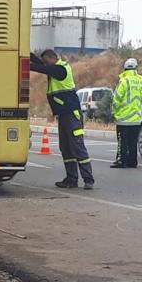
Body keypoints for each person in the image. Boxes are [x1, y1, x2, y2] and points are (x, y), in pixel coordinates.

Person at [30, 49, 94, 189]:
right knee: (66, 148)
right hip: (64, 114)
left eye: (47, 61)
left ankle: (88, 179)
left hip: (71, 113)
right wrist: (28, 55)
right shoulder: (54, 67)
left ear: (52, 58)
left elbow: (43, 68)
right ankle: (71, 179)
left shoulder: (61, 70)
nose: (46, 64)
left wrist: (26, 64)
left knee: (77, 147)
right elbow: (42, 64)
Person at [111, 58, 142, 169]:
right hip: (136, 118)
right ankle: (132, 162)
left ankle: (121, 161)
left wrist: (114, 111)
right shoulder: (141, 80)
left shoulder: (124, 81)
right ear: (136, 68)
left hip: (123, 118)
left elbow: (117, 98)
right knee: (132, 141)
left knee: (122, 141)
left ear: (125, 68)